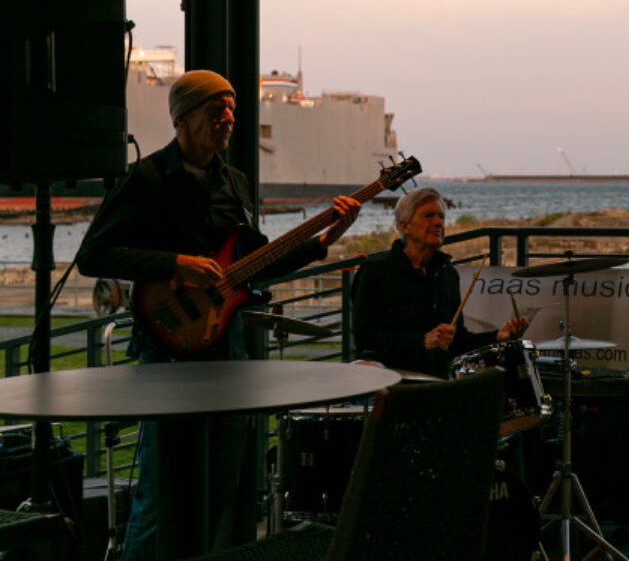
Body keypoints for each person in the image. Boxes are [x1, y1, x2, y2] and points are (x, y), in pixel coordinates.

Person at [76, 69, 360, 560]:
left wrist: (323, 242)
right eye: (216, 110)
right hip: (166, 357)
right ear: (182, 119)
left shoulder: (235, 183)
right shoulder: (146, 179)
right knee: (159, 499)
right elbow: (93, 256)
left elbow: (255, 266)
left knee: (217, 494)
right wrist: (174, 264)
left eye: (231, 108)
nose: (228, 118)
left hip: (225, 353)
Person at [350, 186, 528, 378]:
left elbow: (457, 341)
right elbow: (365, 339)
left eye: (441, 217)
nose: (438, 223)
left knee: (500, 377)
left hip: (440, 379)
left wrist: (497, 337)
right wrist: (422, 341)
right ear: (405, 226)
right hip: (392, 381)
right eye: (428, 216)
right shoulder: (376, 270)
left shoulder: (448, 274)